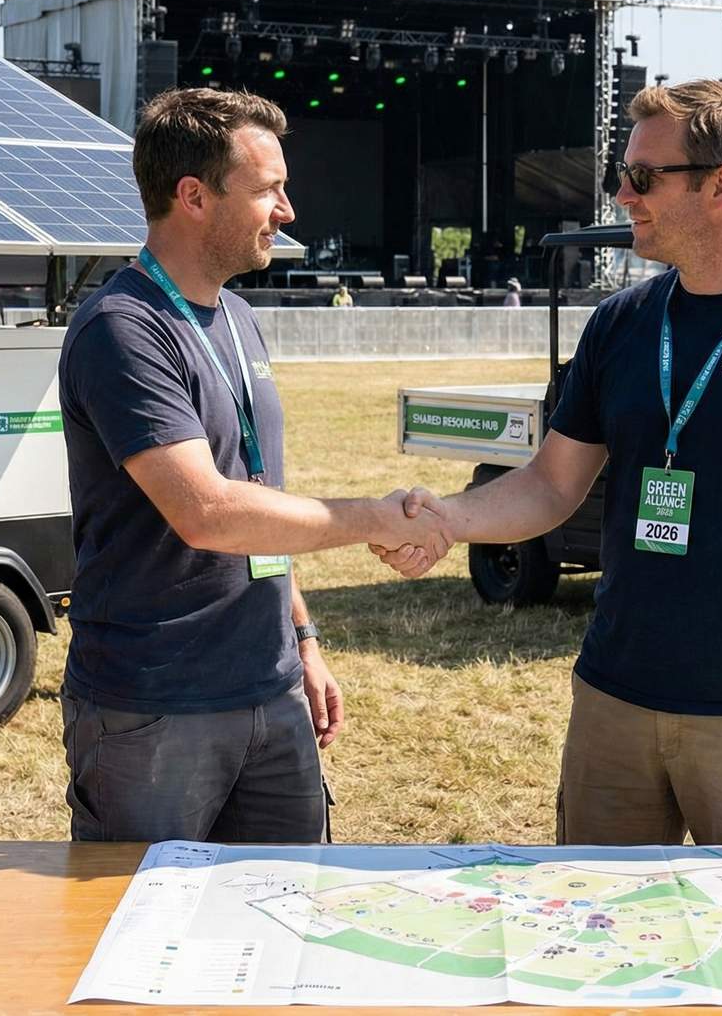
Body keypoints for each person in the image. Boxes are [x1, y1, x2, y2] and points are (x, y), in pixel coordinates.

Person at [376, 79, 722, 846]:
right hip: (614, 699)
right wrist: (446, 520)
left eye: (642, 176)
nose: (622, 195)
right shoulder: (621, 323)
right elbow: (551, 483)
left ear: (720, 185)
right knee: (594, 911)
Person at [58, 87, 452, 846]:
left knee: (289, 904)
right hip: (155, 706)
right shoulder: (122, 328)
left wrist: (303, 638)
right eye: (269, 189)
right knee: (145, 912)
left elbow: (257, 494)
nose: (287, 210)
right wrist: (375, 518)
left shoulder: (237, 317)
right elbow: (208, 513)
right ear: (194, 196)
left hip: (270, 689)